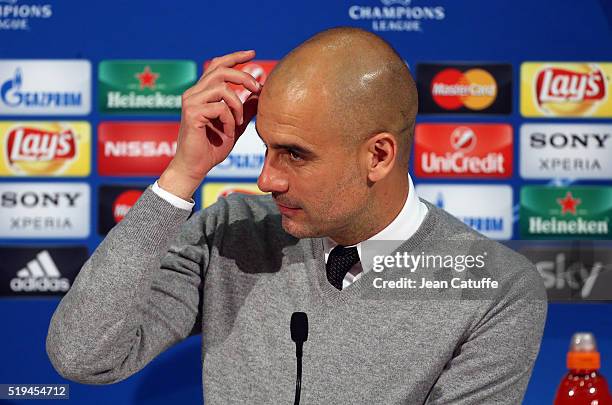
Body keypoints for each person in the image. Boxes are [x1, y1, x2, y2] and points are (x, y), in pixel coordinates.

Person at [46, 27, 547, 404]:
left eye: (295, 155)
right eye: (265, 148)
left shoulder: (493, 287)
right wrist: (180, 175)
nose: (267, 180)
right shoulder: (232, 231)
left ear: (378, 156)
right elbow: (84, 357)